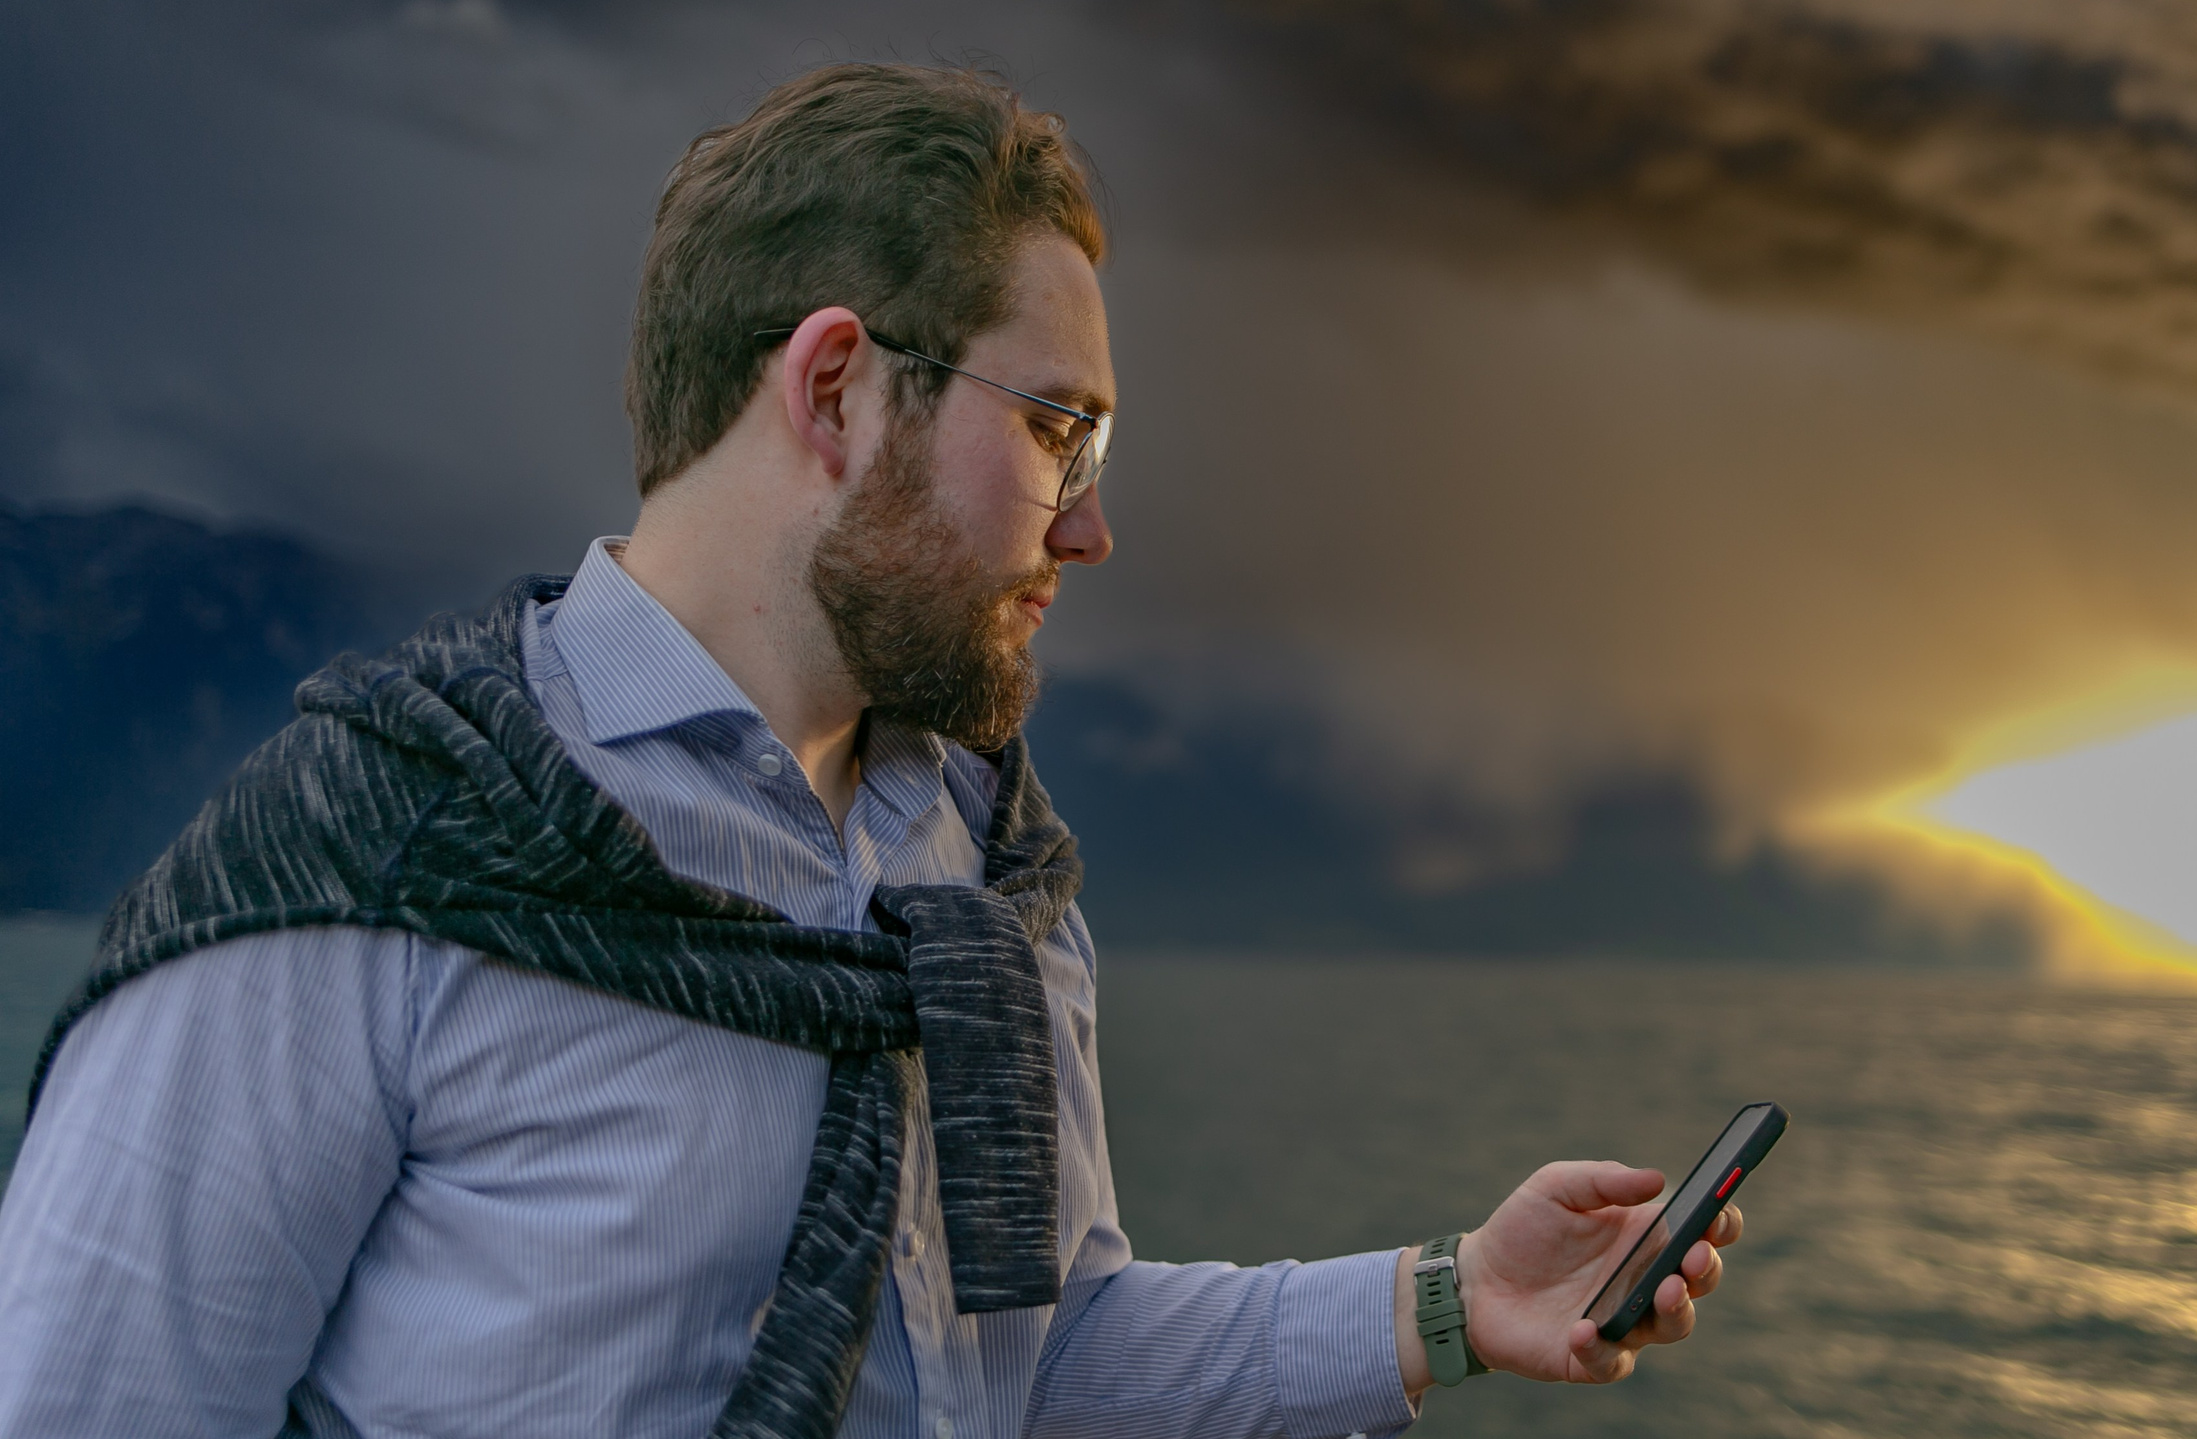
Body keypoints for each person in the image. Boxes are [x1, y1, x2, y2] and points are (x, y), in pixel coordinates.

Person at [0, 64, 1743, 1439]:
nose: (1088, 532)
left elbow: (1036, 1369)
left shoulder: (981, 872)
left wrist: (1450, 1303)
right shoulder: (373, 853)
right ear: (836, 388)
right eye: (1061, 429)